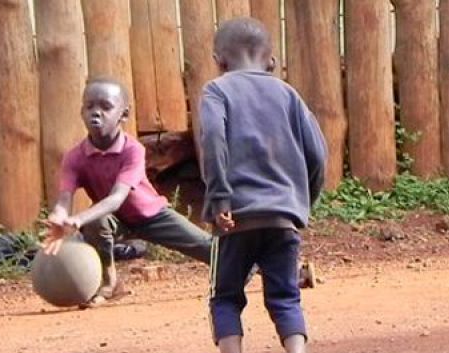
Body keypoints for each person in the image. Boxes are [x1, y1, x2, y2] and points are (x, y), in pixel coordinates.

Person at [42, 77, 316, 309]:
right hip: (112, 221)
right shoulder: (75, 156)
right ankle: (110, 282)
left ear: (124, 115)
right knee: (94, 221)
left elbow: (117, 197)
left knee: (215, 252)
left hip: (150, 215)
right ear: (81, 112)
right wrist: (59, 216)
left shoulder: (132, 150)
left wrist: (76, 219)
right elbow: (64, 197)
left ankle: (293, 273)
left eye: (105, 106)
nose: (96, 113)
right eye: (89, 106)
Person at [199, 17, 327, 353]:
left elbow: (213, 139)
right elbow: (318, 155)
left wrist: (219, 196)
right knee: (286, 297)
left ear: (218, 60)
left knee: (225, 298)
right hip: (283, 217)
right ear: (272, 60)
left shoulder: (216, 91)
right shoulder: (289, 95)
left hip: (234, 219)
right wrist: (301, 201)